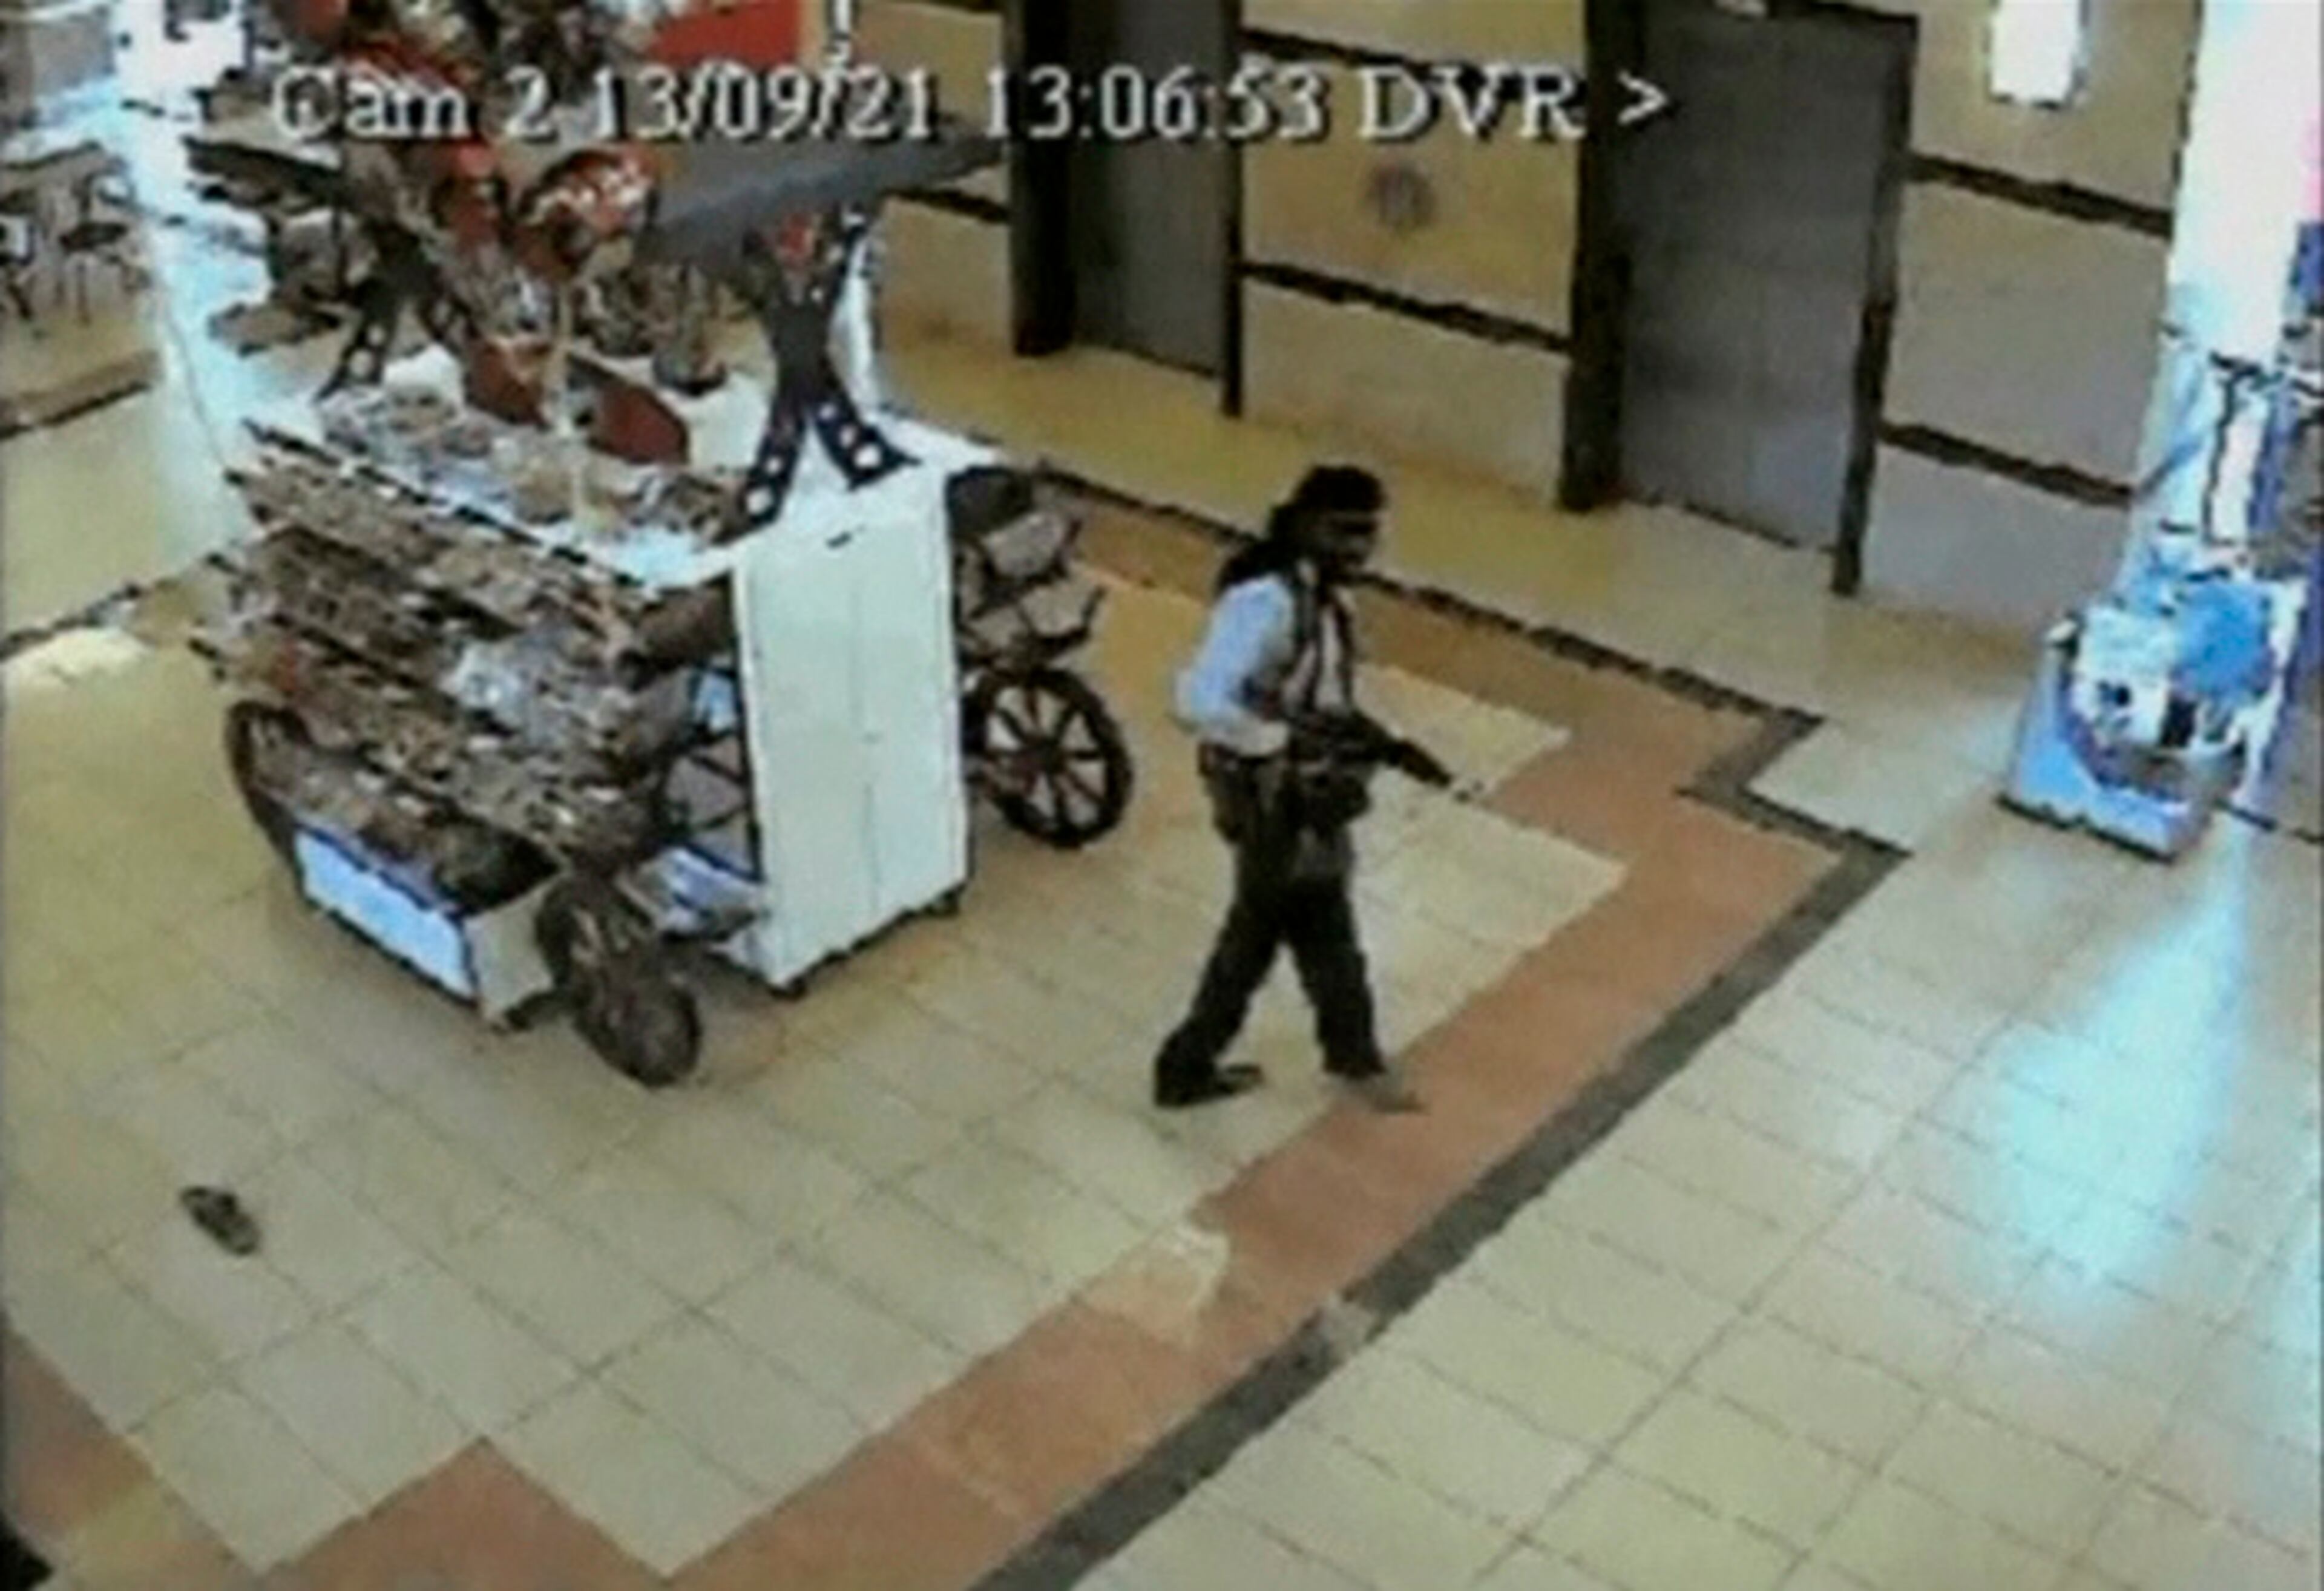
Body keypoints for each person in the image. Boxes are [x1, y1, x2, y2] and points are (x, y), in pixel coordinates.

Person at [1154, 465, 1463, 1114]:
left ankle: (1205, 1065)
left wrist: (1386, 746)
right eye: (1343, 532)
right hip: (1273, 802)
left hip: (1297, 798)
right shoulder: (1264, 600)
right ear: (1301, 524)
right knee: (1286, 936)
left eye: (1367, 534)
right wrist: (1279, 747)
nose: (1358, 549)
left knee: (1294, 932)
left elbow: (1320, 696)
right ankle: (1212, 1065)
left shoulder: (1323, 595)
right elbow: (1196, 698)